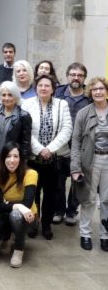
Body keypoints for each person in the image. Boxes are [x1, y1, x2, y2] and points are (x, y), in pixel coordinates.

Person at [22, 74, 72, 240]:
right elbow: (25, 130)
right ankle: (33, 223)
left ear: (53, 89)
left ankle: (47, 225)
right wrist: (39, 149)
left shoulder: (61, 104)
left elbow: (67, 130)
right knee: (32, 193)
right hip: (32, 159)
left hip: (53, 159)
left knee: (51, 194)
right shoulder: (27, 104)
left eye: (47, 86)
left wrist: (49, 149)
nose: (43, 88)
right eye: (40, 85)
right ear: (36, 87)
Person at [0, 142, 38, 268]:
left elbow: (27, 204)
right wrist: (19, 205)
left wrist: (13, 205)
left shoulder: (31, 174)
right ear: (2, 158)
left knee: (16, 215)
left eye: (16, 156)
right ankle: (7, 236)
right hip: (4, 214)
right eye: (8, 156)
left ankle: (18, 248)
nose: (12, 160)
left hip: (28, 218)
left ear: (21, 158)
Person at [71, 76, 108, 252]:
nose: (98, 92)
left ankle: (105, 235)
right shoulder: (83, 113)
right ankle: (85, 234)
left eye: (101, 89)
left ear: (106, 91)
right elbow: (76, 142)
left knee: (107, 200)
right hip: (89, 162)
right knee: (88, 199)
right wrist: (75, 168)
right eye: (95, 90)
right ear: (90, 93)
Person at [54, 62, 91, 225]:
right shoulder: (58, 92)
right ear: (67, 76)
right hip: (61, 144)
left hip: (82, 145)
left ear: (84, 78)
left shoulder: (90, 96)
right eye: (73, 74)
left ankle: (71, 211)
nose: (76, 78)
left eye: (80, 75)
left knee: (77, 180)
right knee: (59, 180)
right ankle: (59, 210)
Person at [0, 82, 32, 161]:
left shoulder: (24, 116)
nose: (6, 98)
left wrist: (21, 162)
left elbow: (26, 144)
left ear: (16, 96)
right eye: (3, 95)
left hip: (12, 160)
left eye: (10, 95)